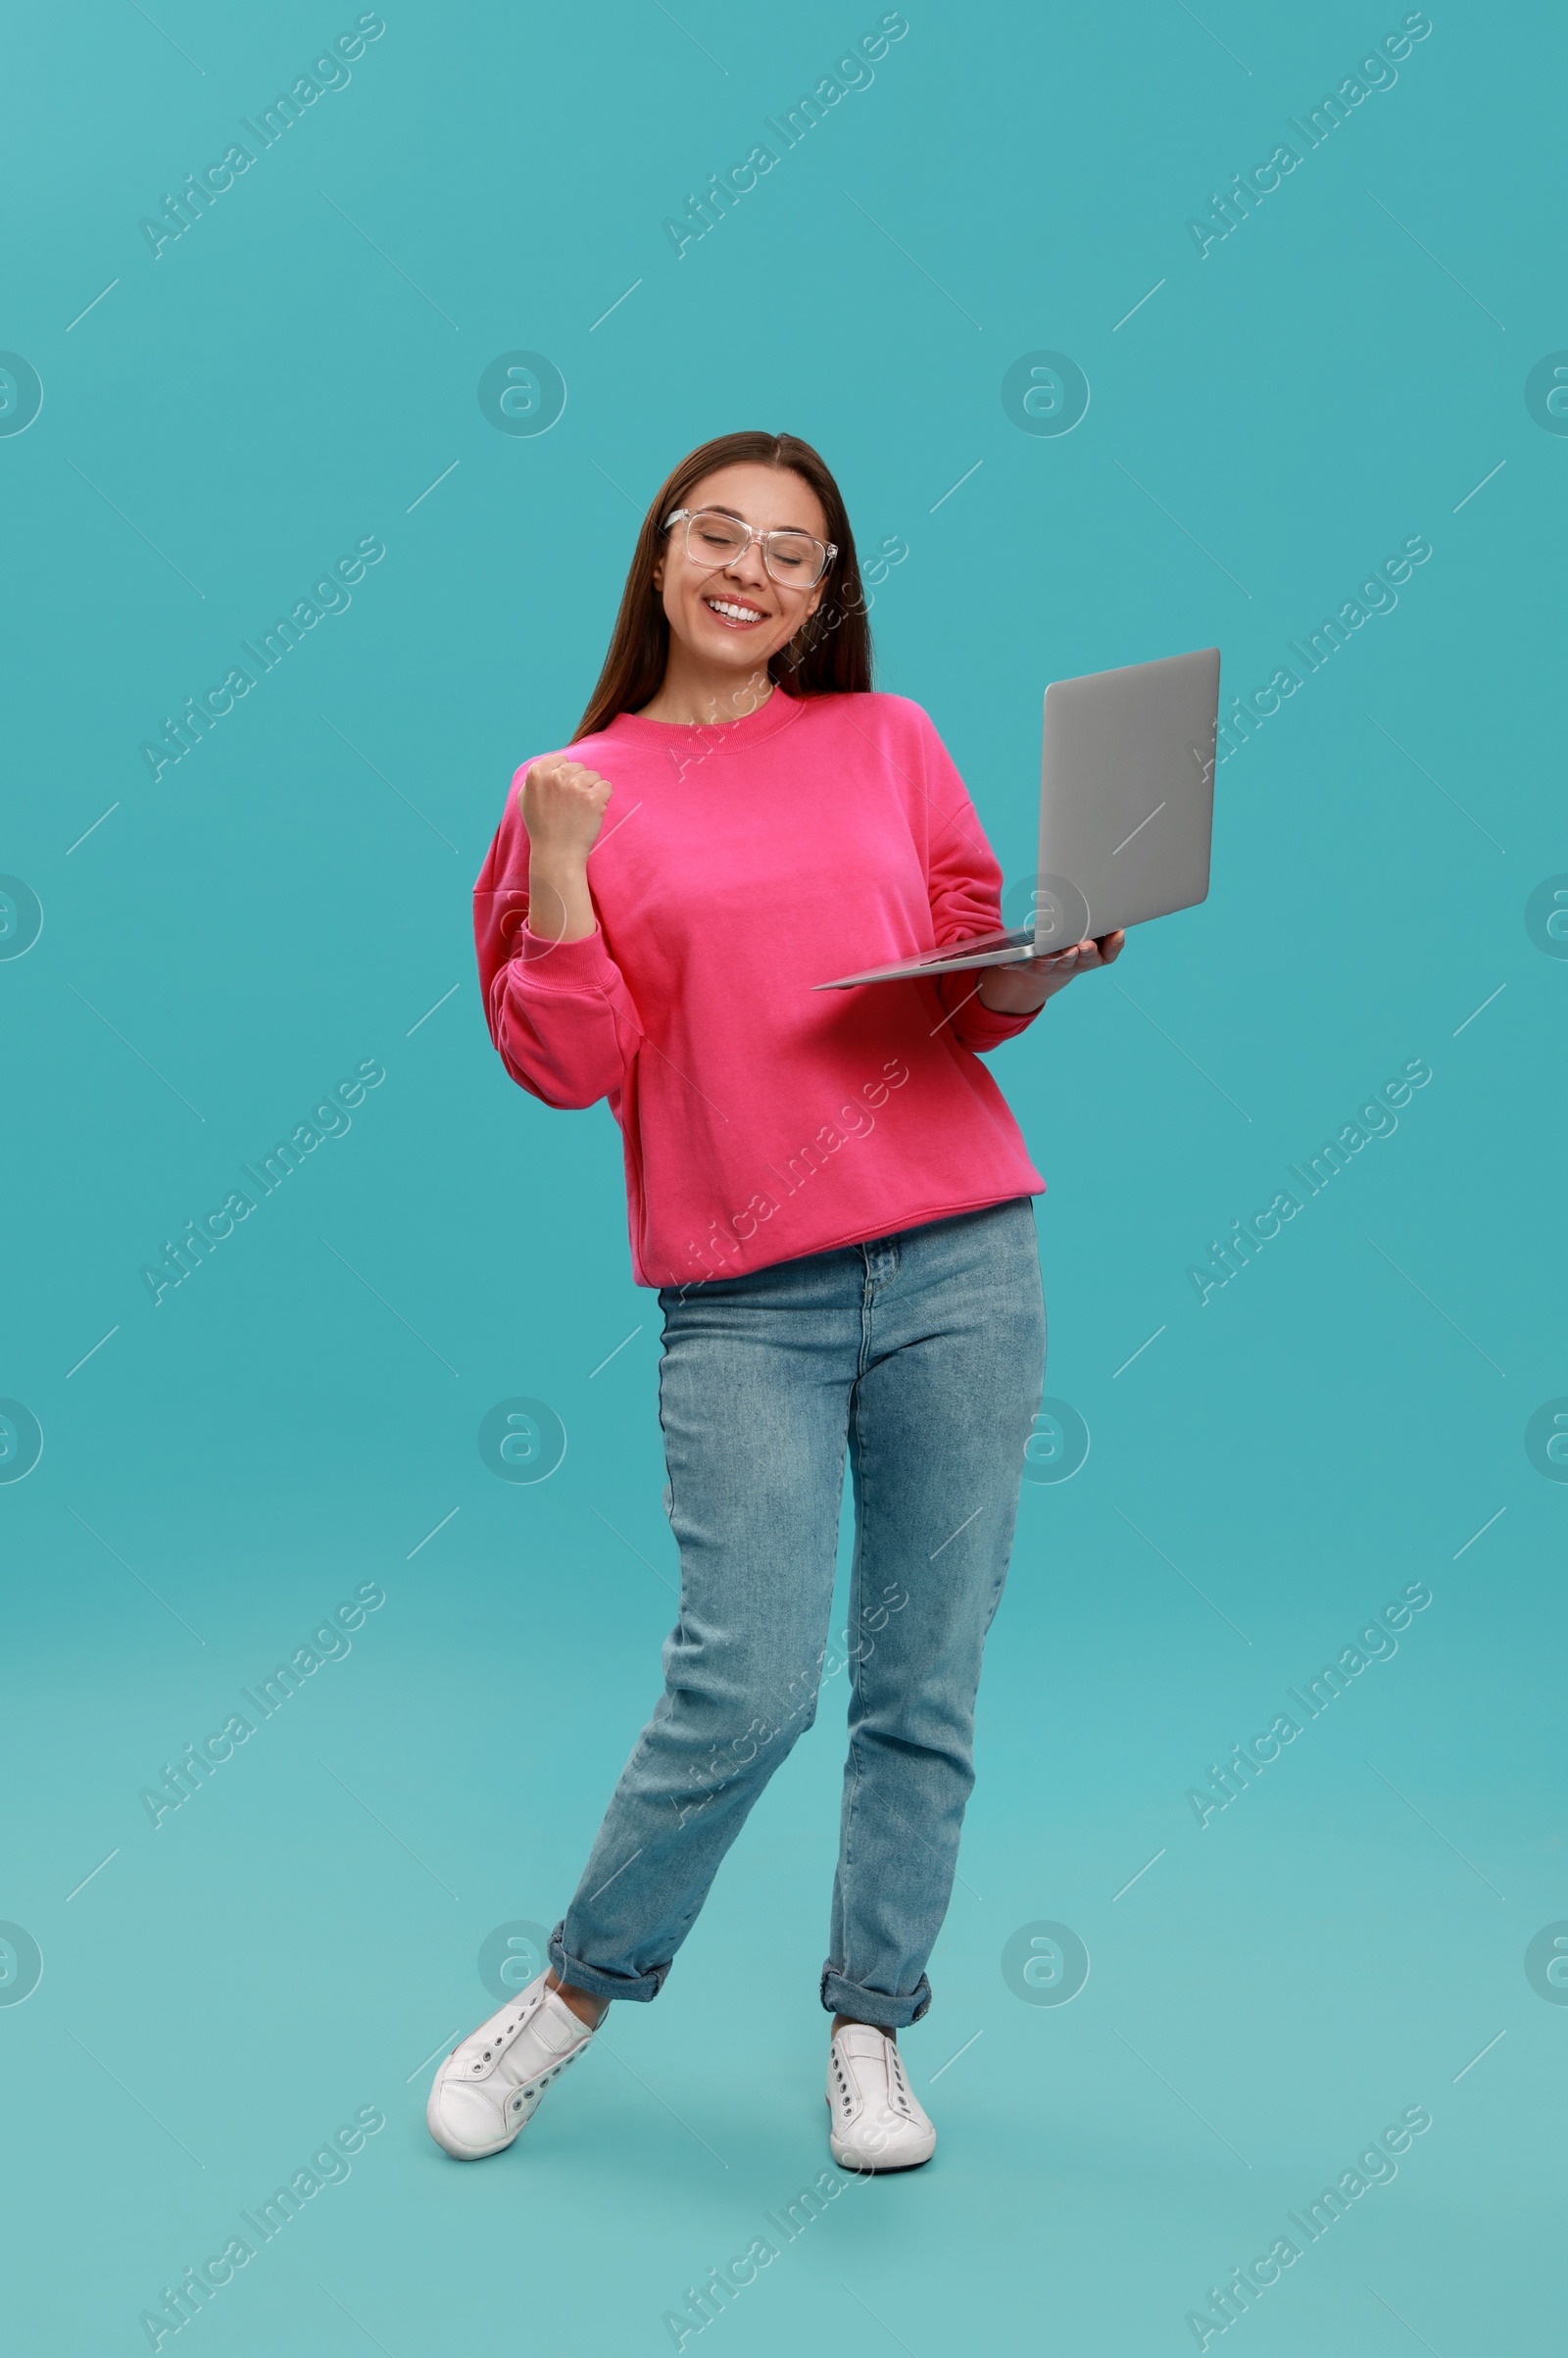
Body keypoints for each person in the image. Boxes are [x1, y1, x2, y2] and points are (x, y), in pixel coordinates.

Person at [429, 430, 1122, 2172]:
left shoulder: (887, 740)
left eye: (792, 554)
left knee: (923, 1674)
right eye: (719, 535)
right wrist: (571, 868)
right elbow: (567, 1062)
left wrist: (1040, 956)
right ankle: (572, 1993)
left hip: (965, 1250)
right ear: (662, 554)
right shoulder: (563, 786)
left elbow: (968, 984)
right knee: (746, 1679)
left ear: (827, 594)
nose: (751, 570)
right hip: (743, 1296)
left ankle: (873, 2025)